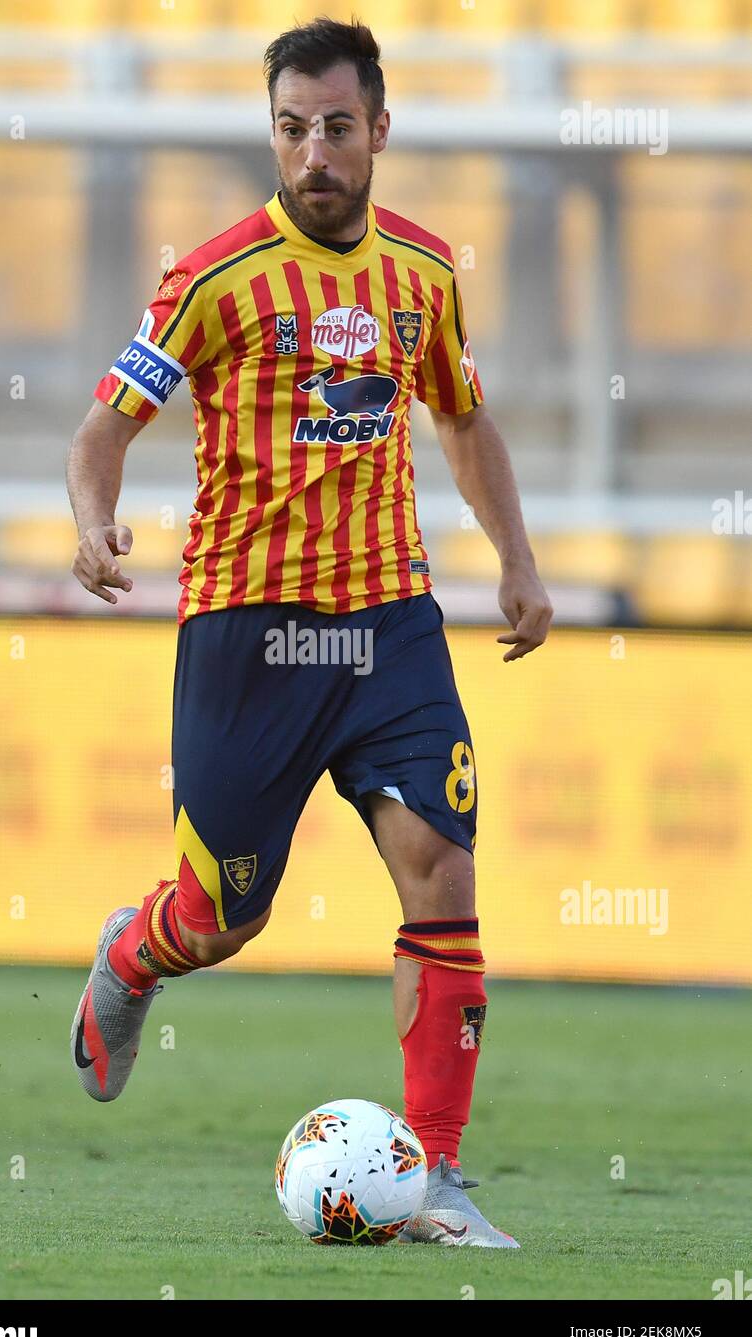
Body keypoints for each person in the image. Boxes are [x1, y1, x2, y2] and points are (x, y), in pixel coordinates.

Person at [66, 17, 552, 1247]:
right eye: (291, 130)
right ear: (271, 133)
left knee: (441, 868)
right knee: (227, 913)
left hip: (387, 624)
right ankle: (135, 955)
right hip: (250, 632)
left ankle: (435, 1175)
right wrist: (93, 523)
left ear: (379, 129)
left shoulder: (425, 274)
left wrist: (517, 561)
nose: (313, 153)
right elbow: (103, 430)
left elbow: (460, 416)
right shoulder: (216, 276)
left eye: (337, 128)